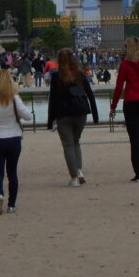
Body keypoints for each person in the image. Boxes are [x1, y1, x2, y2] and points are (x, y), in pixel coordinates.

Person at [0, 68, 32, 214]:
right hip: (13, 138)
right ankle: (11, 205)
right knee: (12, 172)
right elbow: (28, 116)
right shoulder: (13, 98)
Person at [47, 48, 99, 186]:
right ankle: (80, 170)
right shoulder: (80, 74)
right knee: (76, 141)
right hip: (81, 111)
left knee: (68, 144)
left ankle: (74, 177)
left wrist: (50, 120)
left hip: (63, 114)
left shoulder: (56, 76)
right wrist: (95, 116)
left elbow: (52, 100)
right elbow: (90, 95)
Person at [110, 36, 139, 182]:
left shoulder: (126, 64)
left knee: (134, 137)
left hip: (131, 102)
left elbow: (119, 87)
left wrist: (113, 106)